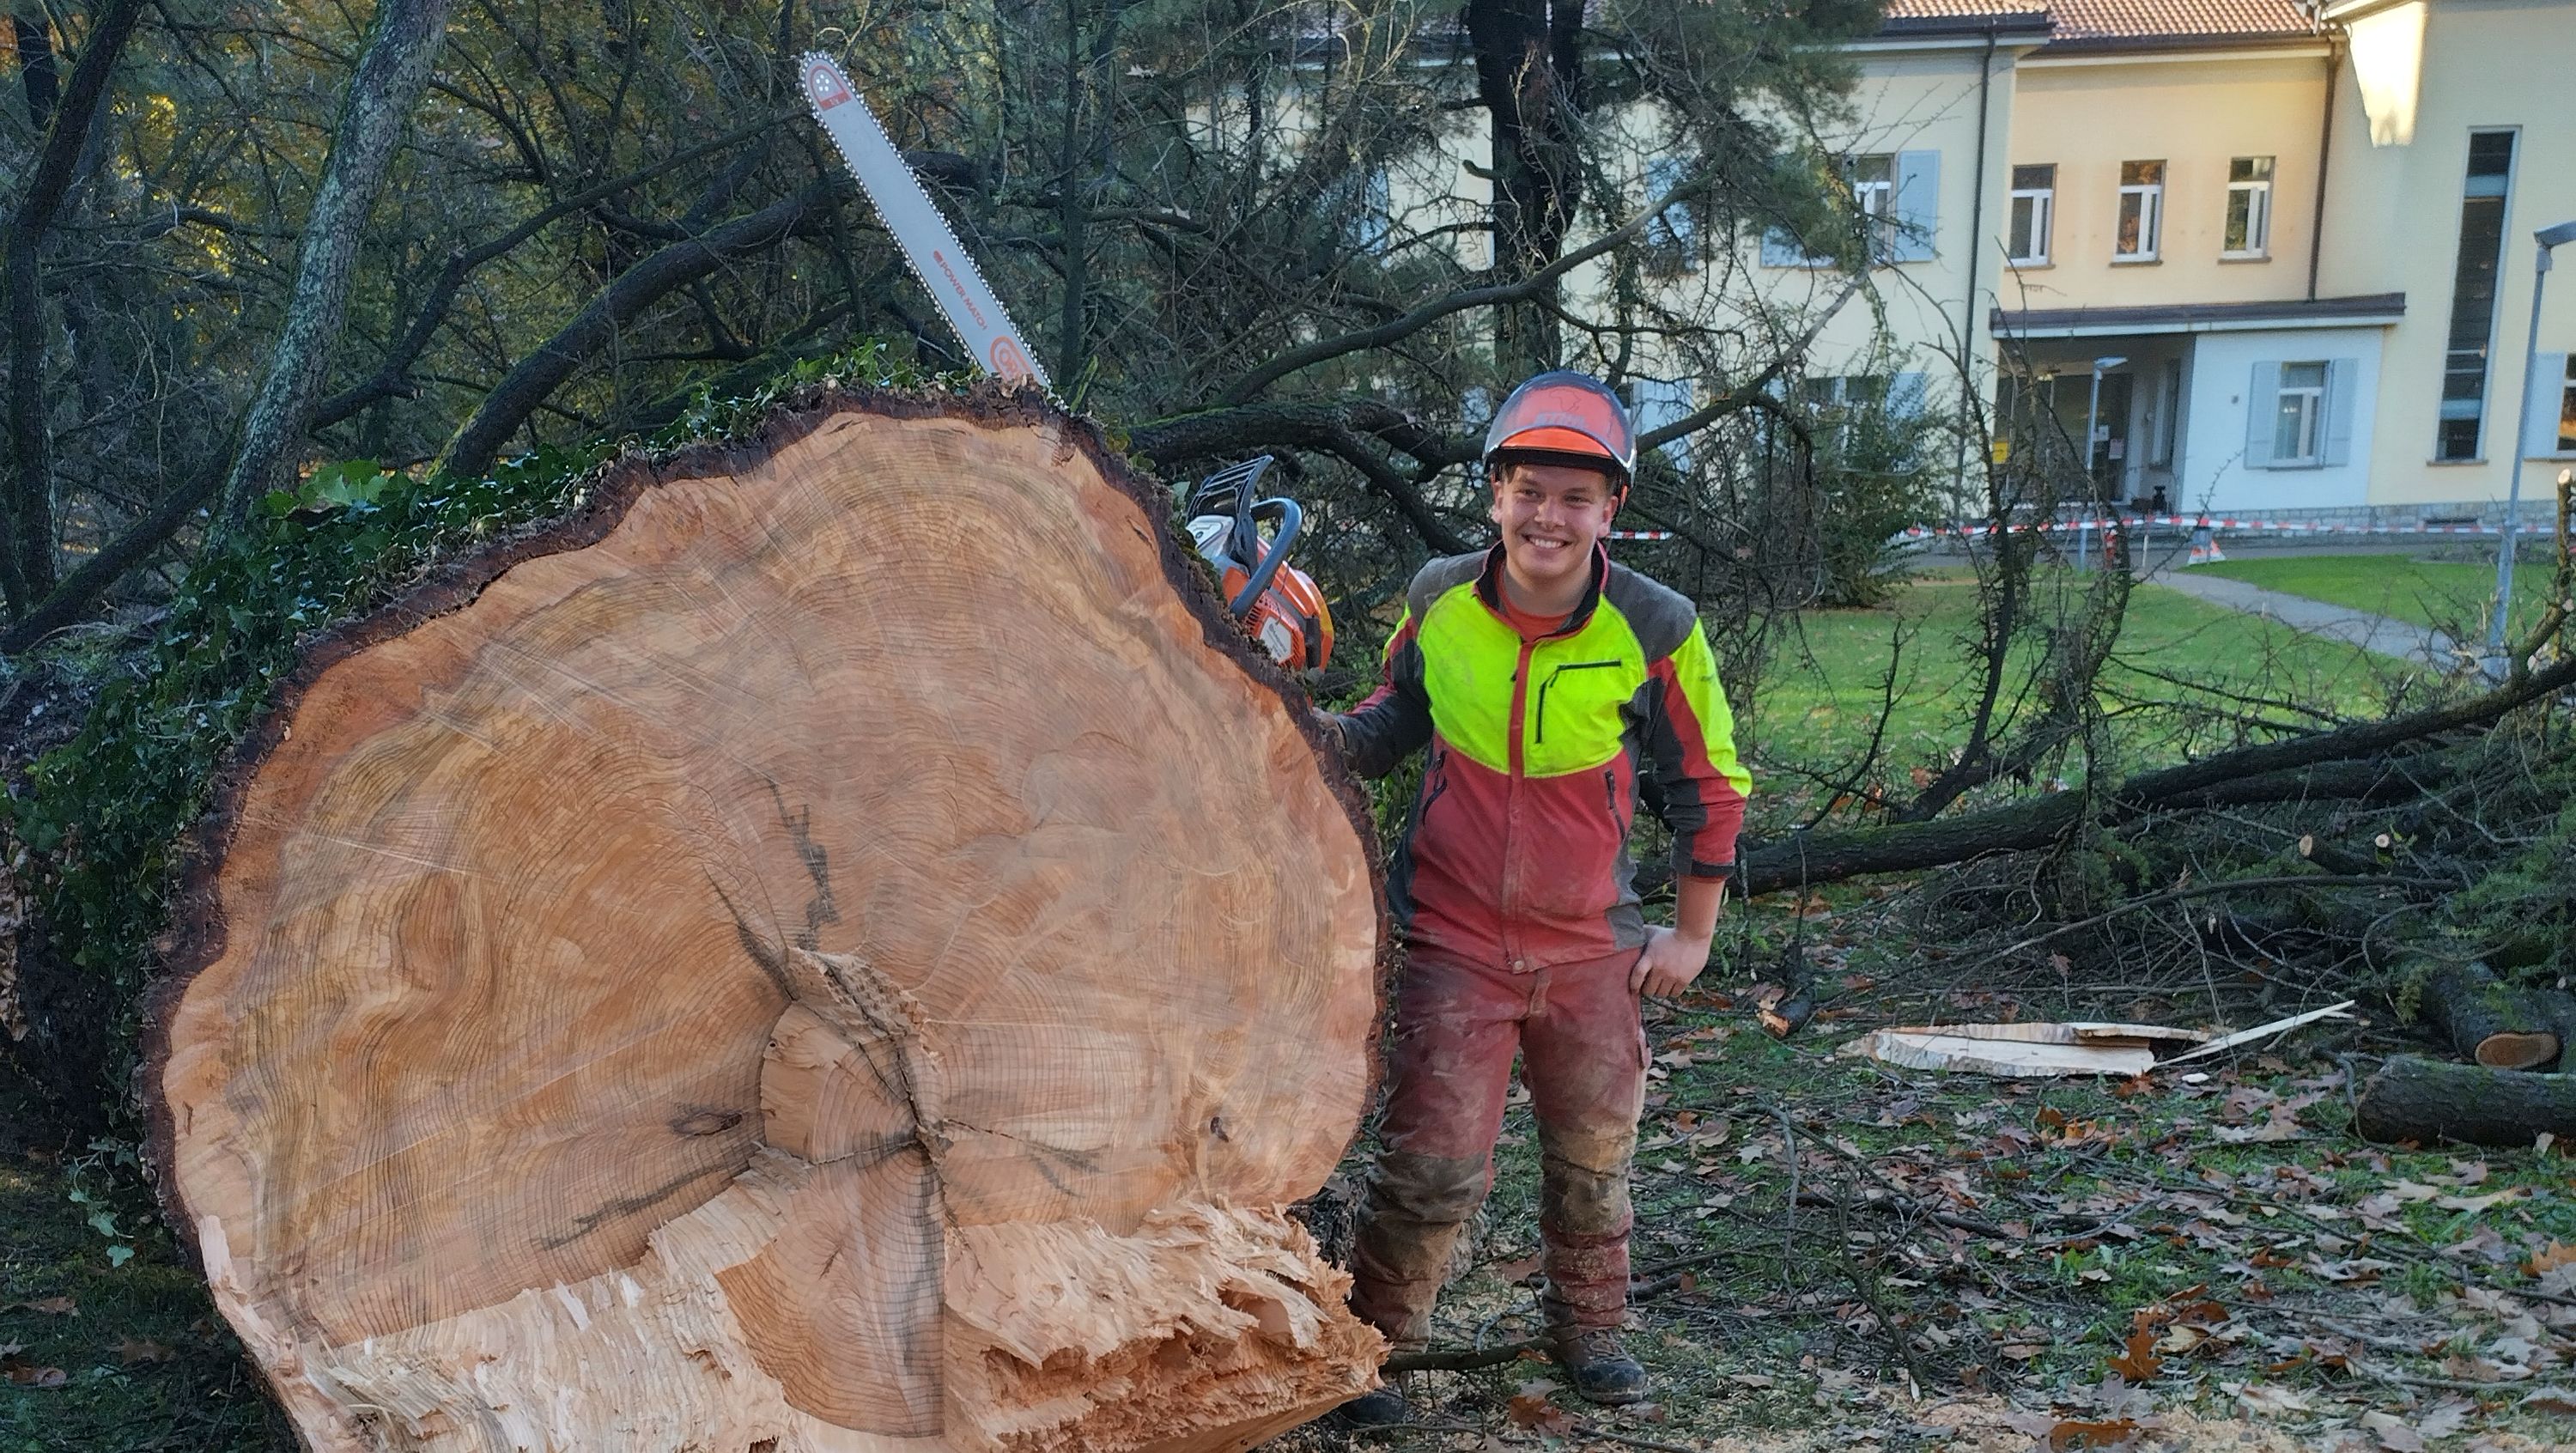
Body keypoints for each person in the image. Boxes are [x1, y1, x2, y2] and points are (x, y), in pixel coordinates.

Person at [1324, 371, 1752, 1420]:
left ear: (1613, 510)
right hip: (1452, 939)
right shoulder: (1439, 599)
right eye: (1528, 489)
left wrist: (1691, 936)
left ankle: (1591, 1330)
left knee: (1595, 1159)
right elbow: (1387, 719)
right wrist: (1309, 734)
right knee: (1430, 1166)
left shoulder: (1656, 627)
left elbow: (1711, 786)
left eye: (1575, 496)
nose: (1548, 516)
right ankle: (1373, 1353)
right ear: (1495, 494)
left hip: (1591, 949)